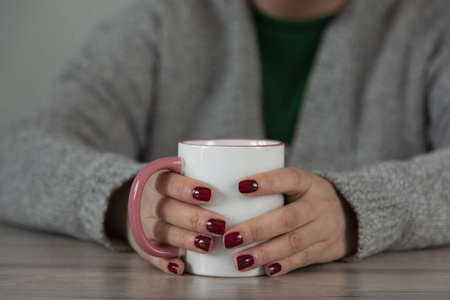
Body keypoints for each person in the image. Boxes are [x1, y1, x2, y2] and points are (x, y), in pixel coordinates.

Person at [1, 0, 449, 277]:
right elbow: (17, 156)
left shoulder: (433, 28)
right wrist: (128, 203)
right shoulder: (158, 26)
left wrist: (357, 210)